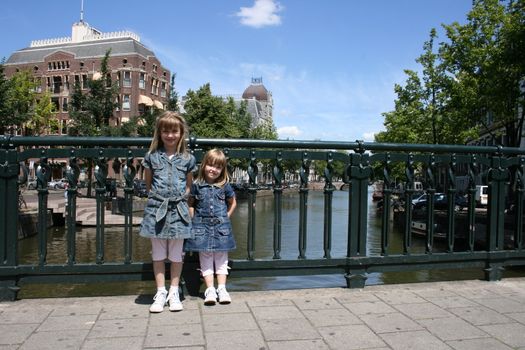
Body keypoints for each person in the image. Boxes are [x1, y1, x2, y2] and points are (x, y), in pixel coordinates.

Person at [139, 111, 196, 313]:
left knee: (176, 255)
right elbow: (148, 184)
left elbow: (189, 185)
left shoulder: (188, 159)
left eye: (174, 131)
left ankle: (174, 291)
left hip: (178, 211)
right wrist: (156, 198)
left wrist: (183, 201)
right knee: (158, 254)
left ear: (181, 134)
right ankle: (160, 291)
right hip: (158, 210)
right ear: (159, 133)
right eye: (166, 131)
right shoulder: (152, 157)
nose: (170, 135)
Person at [184, 148, 237, 305]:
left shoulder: (224, 185)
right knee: (205, 258)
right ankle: (210, 290)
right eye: (210, 165)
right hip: (202, 227)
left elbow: (233, 202)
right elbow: (191, 203)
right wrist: (194, 218)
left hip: (221, 227)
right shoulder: (197, 185)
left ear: (222, 170)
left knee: (222, 258)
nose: (213, 169)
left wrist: (226, 216)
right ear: (204, 165)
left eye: (218, 167)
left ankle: (222, 288)